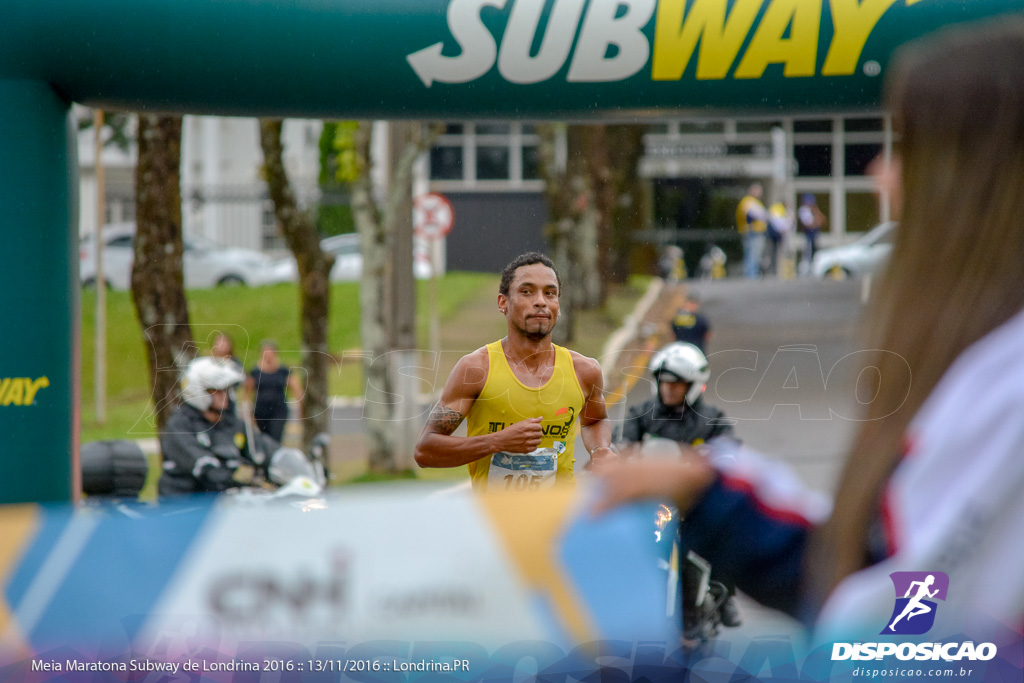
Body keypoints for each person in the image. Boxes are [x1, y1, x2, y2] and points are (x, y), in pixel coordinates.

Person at [594, 19, 1024, 642]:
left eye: (904, 147)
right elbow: (886, 563)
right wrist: (706, 494)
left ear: (974, 174)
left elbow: (900, 627)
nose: (880, 174)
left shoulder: (1007, 381)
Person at [414, 252, 615, 491]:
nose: (540, 301)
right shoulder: (476, 369)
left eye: (550, 293)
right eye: (527, 291)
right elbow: (425, 451)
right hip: (494, 522)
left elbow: (595, 420)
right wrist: (497, 442)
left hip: (559, 521)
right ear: (503, 303)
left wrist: (601, 450)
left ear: (558, 306)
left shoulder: (584, 371)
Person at [616, 342, 741, 635]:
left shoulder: (712, 420)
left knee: (722, 534)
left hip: (693, 503)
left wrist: (716, 463)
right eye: (664, 383)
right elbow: (622, 448)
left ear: (695, 385)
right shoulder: (641, 413)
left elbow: (731, 453)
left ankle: (724, 596)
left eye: (677, 384)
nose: (669, 389)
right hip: (652, 502)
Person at [159, 356, 278, 496]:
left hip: (224, 504)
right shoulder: (180, 425)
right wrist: (238, 476)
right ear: (198, 392)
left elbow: (264, 449)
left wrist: (286, 459)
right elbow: (205, 466)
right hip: (186, 506)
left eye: (226, 390)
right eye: (217, 391)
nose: (224, 396)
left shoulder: (231, 423)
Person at [245, 339, 303, 443]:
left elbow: (296, 388)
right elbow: (247, 392)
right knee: (262, 438)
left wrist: (301, 406)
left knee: (275, 437)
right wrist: (248, 412)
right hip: (260, 411)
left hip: (278, 411)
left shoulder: (282, 371)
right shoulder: (255, 372)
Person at [736, 183, 767, 279]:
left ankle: (752, 274)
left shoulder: (750, 201)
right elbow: (760, 215)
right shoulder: (749, 201)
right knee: (753, 255)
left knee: (752, 254)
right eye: (758, 191)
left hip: (752, 232)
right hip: (753, 232)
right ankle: (751, 275)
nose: (759, 194)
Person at [797, 193, 827, 271]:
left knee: (815, 251)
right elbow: (808, 224)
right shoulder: (803, 210)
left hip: (814, 234)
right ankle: (807, 269)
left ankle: (813, 268)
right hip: (808, 234)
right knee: (807, 252)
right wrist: (815, 222)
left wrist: (816, 213)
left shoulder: (814, 210)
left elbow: (822, 220)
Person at [765, 201, 793, 277]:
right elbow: (780, 224)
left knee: (773, 252)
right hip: (776, 234)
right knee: (774, 252)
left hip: (774, 234)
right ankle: (775, 270)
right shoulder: (779, 209)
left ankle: (777, 270)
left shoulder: (778, 209)